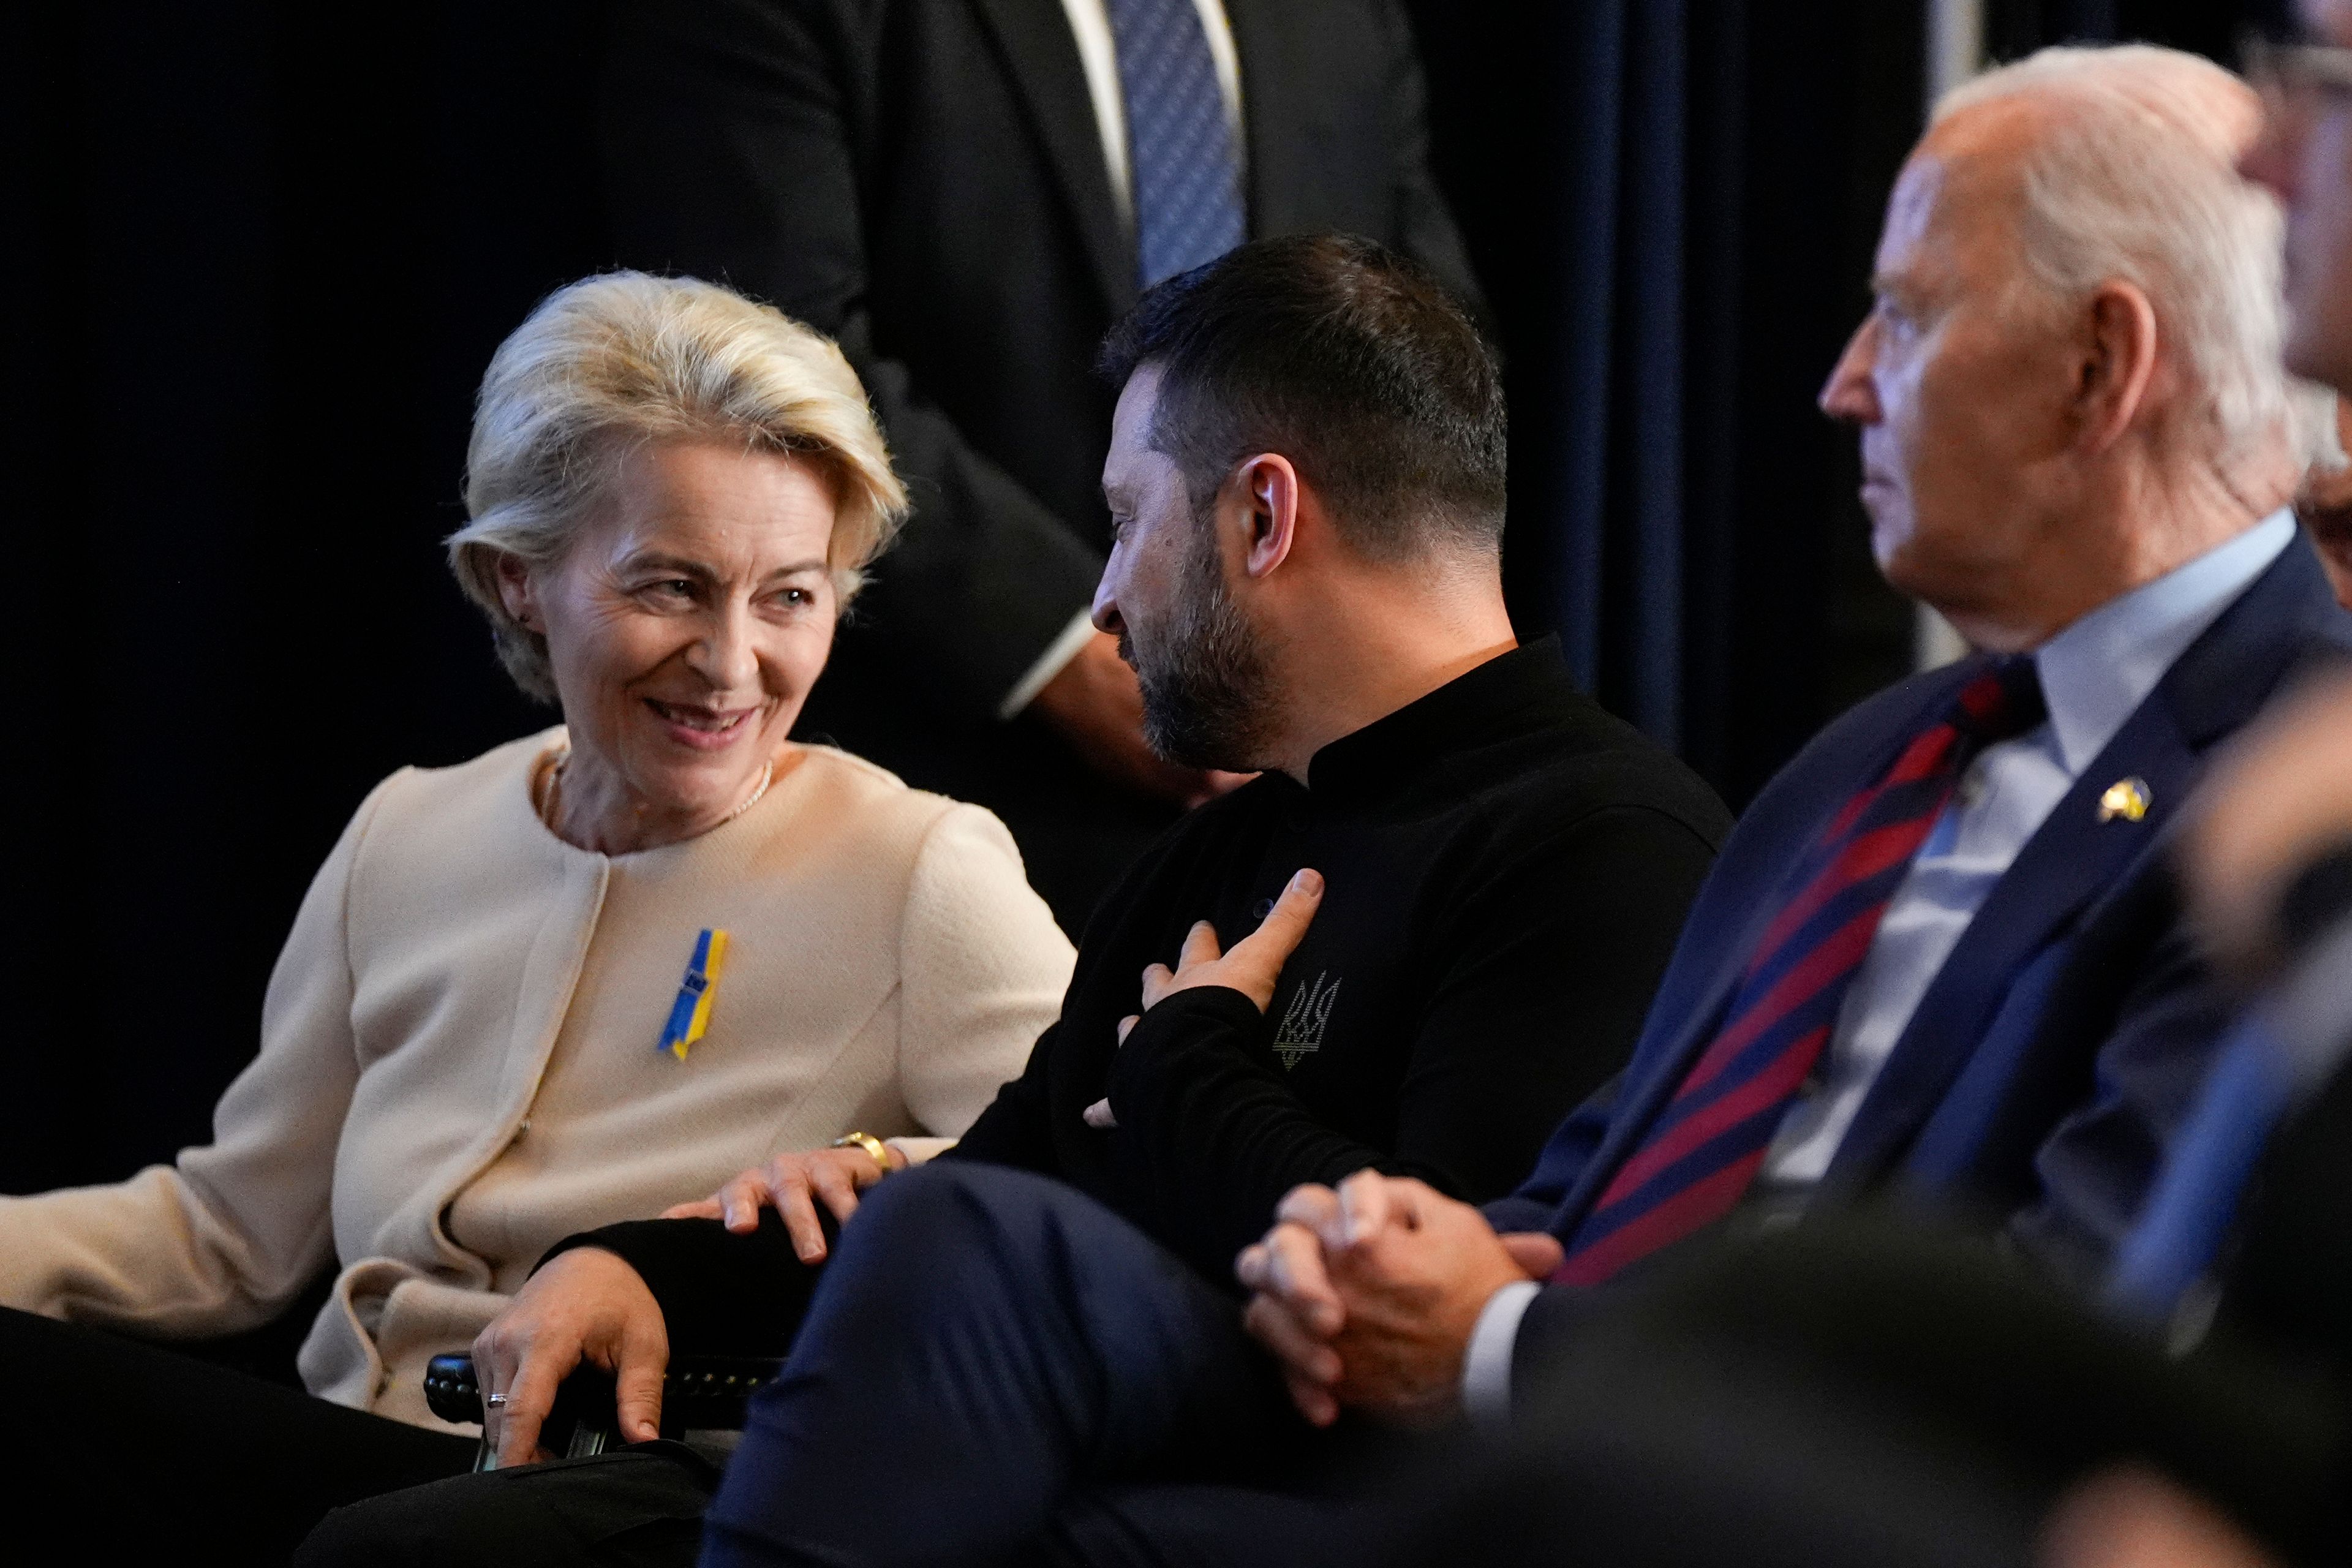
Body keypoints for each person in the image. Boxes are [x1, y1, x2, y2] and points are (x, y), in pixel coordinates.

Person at [533, 45, 2352, 1568]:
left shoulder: (2278, 782)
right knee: (923, 1301)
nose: (1844, 380)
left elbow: (2080, 1330)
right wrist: (668, 1274)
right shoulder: (1861, 774)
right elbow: (1584, 1186)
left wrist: (1400, 1257)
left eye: (1903, 315)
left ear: (2102, 369)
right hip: (1533, 1409)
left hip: (1746, 1479)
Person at [296, 235, 1732, 1564]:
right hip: (1024, 1461)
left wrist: (1190, 1070)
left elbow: (1423, 1332)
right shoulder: (1214, 855)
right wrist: (644, 1266)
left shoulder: (1597, 848)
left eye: (1124, 520)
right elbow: (1006, 1179)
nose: (1103, 600)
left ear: (1265, 516)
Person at [0, 271, 1074, 1561]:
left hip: (632, 1498)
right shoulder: (406, 830)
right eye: (670, 585)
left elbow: (1093, 1167)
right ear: (518, 579)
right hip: (364, 1450)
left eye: (790, 594)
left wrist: (874, 1171)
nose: (734, 663)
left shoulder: (923, 867)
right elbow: (232, 1231)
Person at [596, 0, 1483, 932]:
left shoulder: (1349, 20)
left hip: (1326, 830)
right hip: (941, 822)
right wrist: (1076, 659)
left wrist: (1337, 651)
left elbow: (1421, 354)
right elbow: (766, 361)